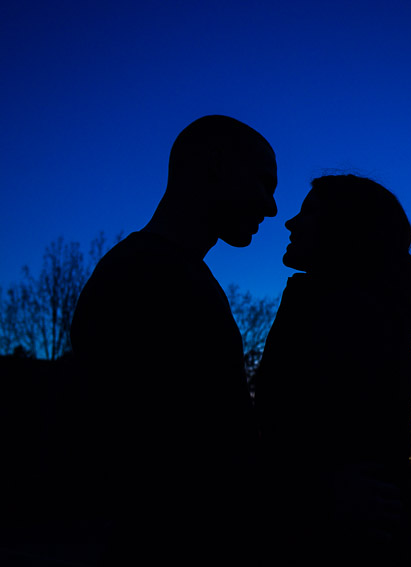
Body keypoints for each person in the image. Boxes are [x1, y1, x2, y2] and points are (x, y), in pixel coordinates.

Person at [70, 115, 277, 565]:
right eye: (264, 183)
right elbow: (189, 462)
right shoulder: (148, 277)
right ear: (216, 164)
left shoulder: (164, 271)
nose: (272, 207)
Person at [254, 174, 411, 559]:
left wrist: (317, 493)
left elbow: (305, 442)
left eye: (310, 213)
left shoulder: (351, 315)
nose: (290, 223)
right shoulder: (337, 307)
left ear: (348, 229)